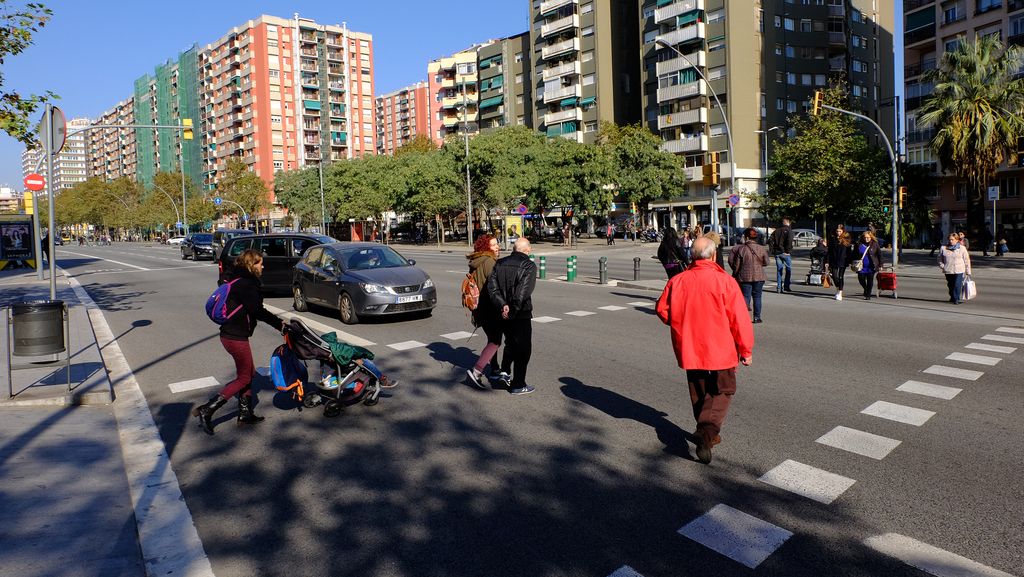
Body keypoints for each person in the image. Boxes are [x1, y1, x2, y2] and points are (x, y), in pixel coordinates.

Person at [656, 237, 753, 464]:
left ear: (692, 256)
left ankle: (708, 435)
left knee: (698, 391)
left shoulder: (678, 281)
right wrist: (745, 350)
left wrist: (681, 322)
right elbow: (739, 320)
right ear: (713, 255)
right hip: (721, 347)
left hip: (689, 346)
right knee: (724, 389)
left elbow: (662, 310)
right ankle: (706, 432)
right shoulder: (725, 282)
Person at [192, 249, 284, 435]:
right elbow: (257, 310)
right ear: (251, 265)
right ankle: (207, 410)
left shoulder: (234, 277)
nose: (263, 265)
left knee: (248, 373)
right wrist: (279, 324)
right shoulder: (247, 285)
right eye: (259, 263)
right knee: (244, 377)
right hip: (235, 336)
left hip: (231, 334)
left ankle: (245, 413)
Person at [486, 237, 537, 395]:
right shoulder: (528, 265)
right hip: (520, 313)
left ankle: (505, 371)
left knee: (509, 343)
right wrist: (512, 310)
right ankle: (518, 384)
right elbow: (523, 291)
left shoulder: (499, 263)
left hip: (502, 312)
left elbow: (492, 288)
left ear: (514, 249)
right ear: (527, 250)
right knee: (523, 349)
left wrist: (503, 306)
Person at [466, 234, 503, 388]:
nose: (497, 247)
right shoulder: (489, 262)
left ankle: (494, 369)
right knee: (496, 340)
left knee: (492, 338)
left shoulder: (476, 261)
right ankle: (477, 370)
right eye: (494, 245)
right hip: (490, 308)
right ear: (486, 248)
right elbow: (497, 285)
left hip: (480, 308)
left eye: (497, 244)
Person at [729, 228, 770, 323]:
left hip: (744, 276)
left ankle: (743, 318)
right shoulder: (761, 248)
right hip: (759, 276)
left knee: (745, 296)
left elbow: (737, 265)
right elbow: (766, 262)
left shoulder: (742, 249)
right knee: (757, 297)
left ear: (746, 237)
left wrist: (735, 274)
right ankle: (757, 317)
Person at [938, 232, 972, 305]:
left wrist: (968, 271)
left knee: (957, 284)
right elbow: (939, 259)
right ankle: (953, 296)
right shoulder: (943, 248)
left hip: (959, 270)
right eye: (949, 240)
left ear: (957, 240)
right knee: (950, 285)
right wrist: (942, 265)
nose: (951, 241)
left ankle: (956, 299)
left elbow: (967, 260)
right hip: (948, 269)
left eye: (952, 240)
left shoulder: (962, 248)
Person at [824, 224, 853, 301]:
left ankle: (840, 292)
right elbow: (829, 251)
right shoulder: (832, 238)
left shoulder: (846, 238)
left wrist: (850, 261)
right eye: (837, 231)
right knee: (834, 276)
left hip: (843, 260)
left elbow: (849, 251)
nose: (838, 232)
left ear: (843, 231)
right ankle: (838, 288)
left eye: (840, 231)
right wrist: (826, 261)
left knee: (840, 277)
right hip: (833, 260)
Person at [854, 230, 883, 300]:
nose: (866, 239)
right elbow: (854, 254)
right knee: (861, 279)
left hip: (871, 266)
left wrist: (880, 265)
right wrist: (852, 261)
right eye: (865, 237)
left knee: (870, 280)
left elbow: (879, 255)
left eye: (868, 237)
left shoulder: (875, 244)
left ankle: (868, 294)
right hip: (861, 266)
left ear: (871, 237)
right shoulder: (858, 244)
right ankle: (865, 288)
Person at [767, 217, 794, 293]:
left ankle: (779, 288)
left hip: (777, 253)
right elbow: (789, 241)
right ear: (788, 222)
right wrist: (788, 251)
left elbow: (770, 241)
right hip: (785, 253)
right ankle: (786, 286)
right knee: (788, 270)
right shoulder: (789, 231)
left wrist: (772, 251)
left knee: (779, 270)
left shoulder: (776, 231)